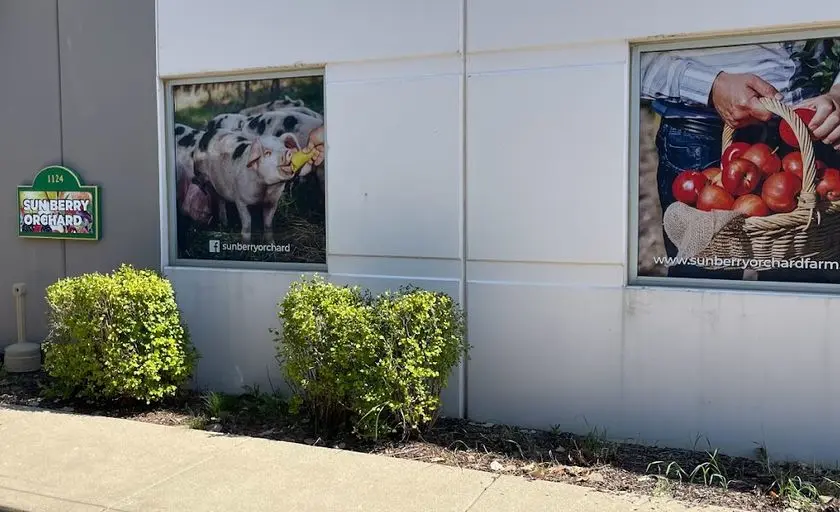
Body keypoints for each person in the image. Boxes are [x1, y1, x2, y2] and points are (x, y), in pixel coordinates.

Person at [639, 39, 840, 282]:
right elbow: (629, 57)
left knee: (805, 290)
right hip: (701, 133)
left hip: (810, 126)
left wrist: (838, 93)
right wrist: (709, 86)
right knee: (703, 295)